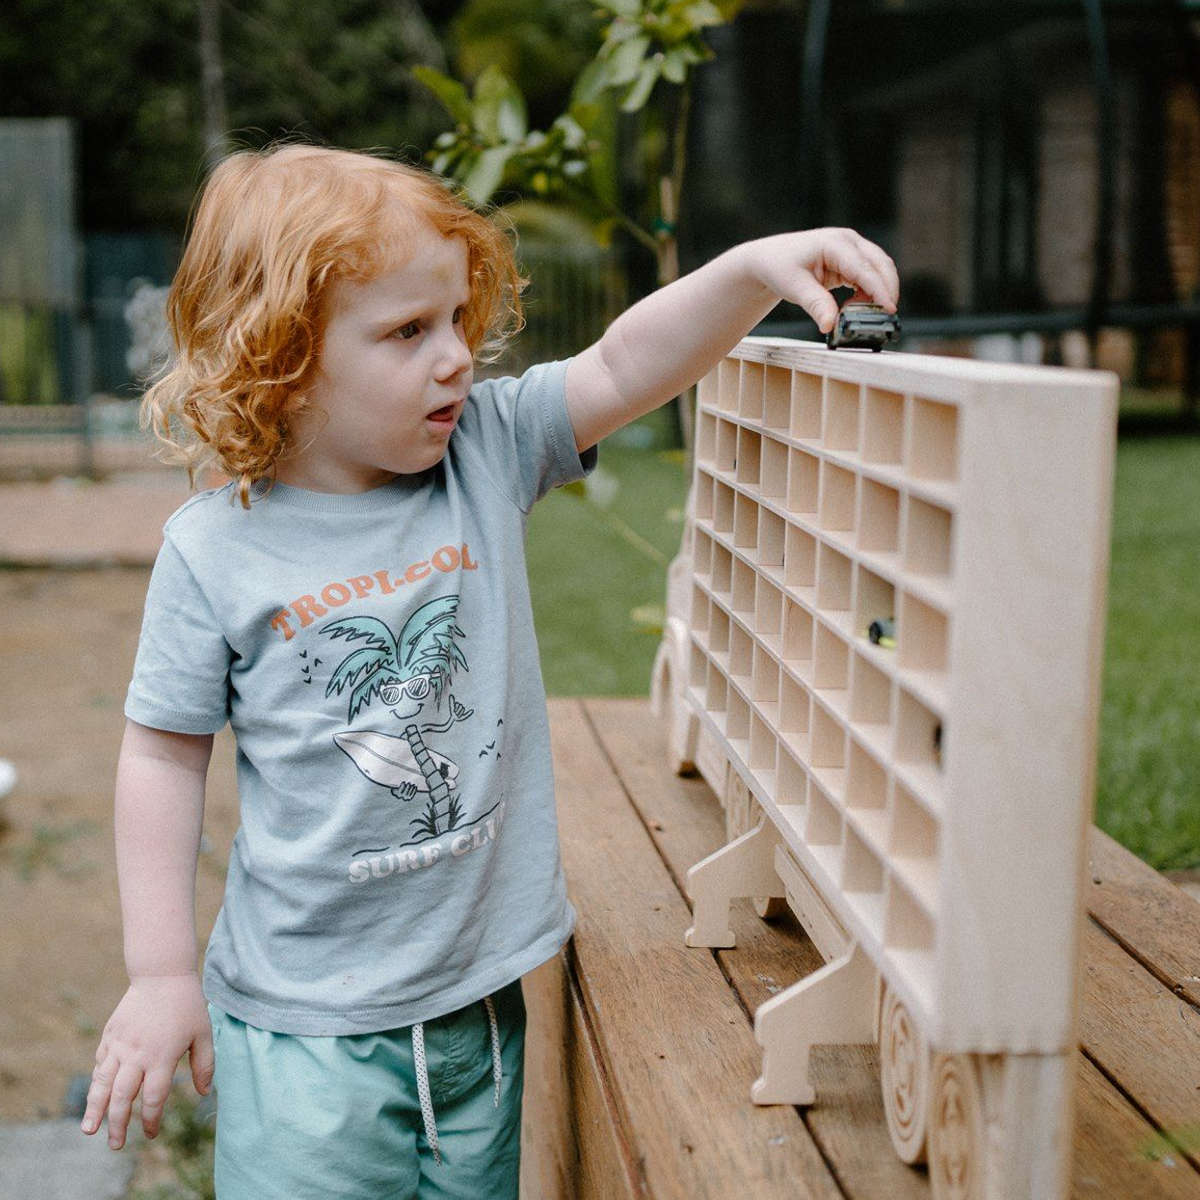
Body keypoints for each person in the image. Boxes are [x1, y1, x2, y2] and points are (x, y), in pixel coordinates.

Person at [80, 142, 898, 1198]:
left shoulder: (486, 452)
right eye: (409, 332)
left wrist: (747, 272)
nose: (457, 356)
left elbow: (619, 364)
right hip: (308, 1042)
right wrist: (157, 973)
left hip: (478, 1014)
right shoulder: (214, 550)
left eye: (459, 320)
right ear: (281, 355)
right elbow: (160, 756)